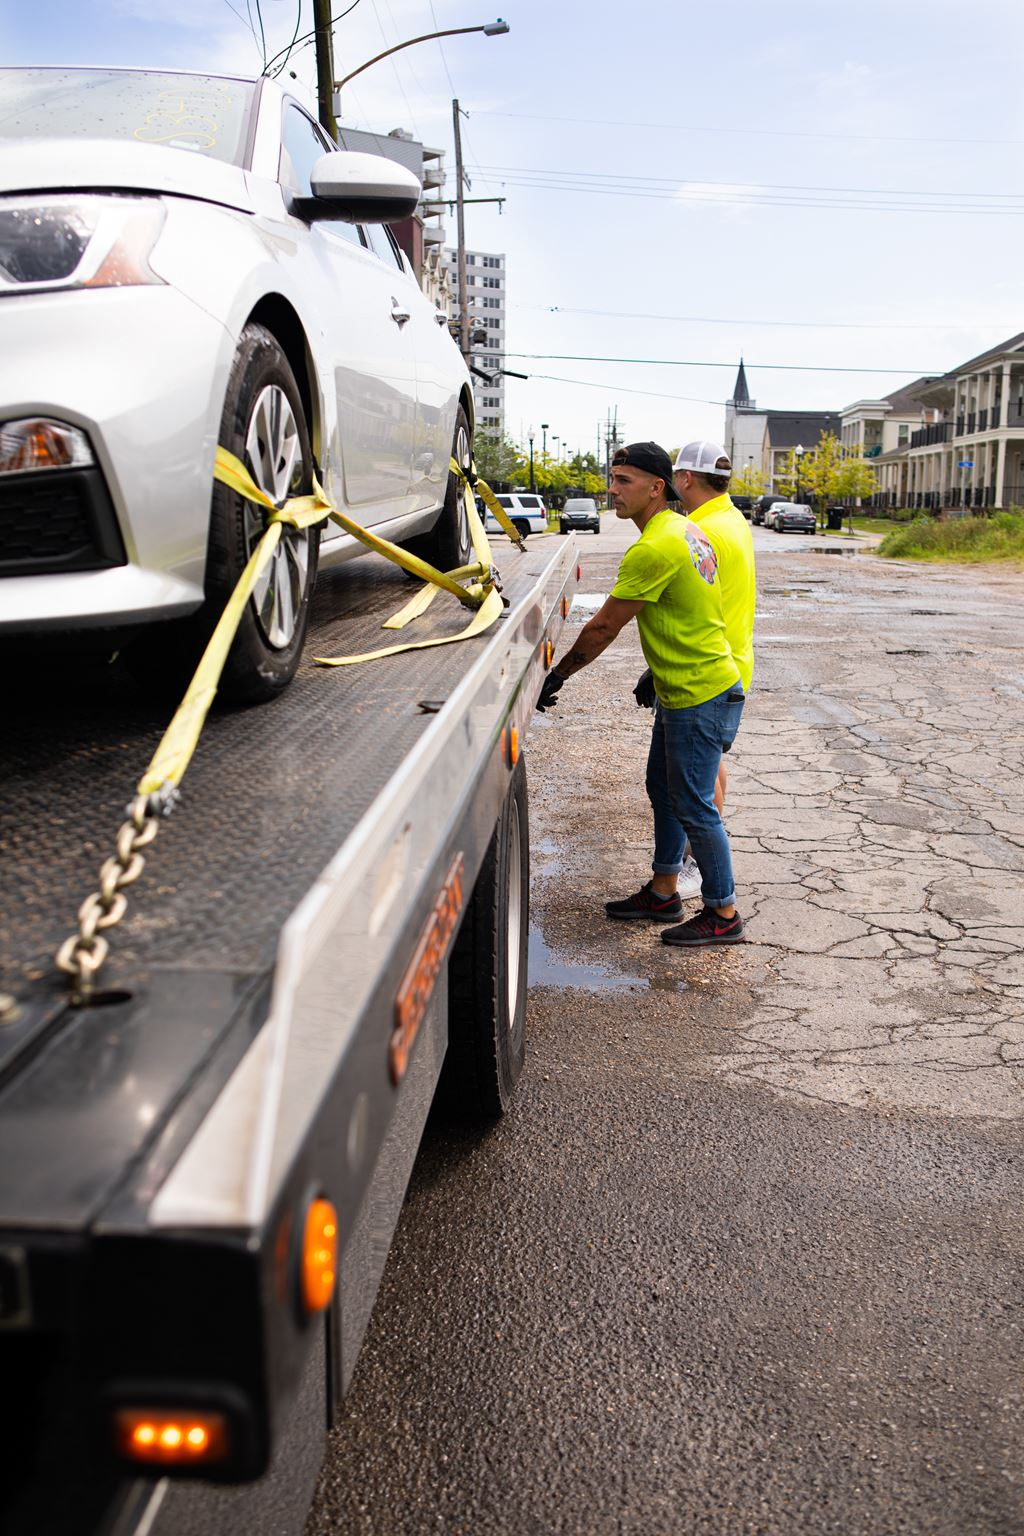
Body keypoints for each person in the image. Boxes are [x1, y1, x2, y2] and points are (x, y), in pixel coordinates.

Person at [537, 442, 746, 946]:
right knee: (665, 791)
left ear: (658, 487)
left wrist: (557, 674)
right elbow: (698, 610)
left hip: (700, 693)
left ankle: (724, 914)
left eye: (624, 480)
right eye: (611, 478)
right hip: (685, 687)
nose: (613, 490)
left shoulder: (657, 545)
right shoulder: (686, 531)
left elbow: (605, 625)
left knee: (695, 806)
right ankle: (663, 890)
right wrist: (655, 674)